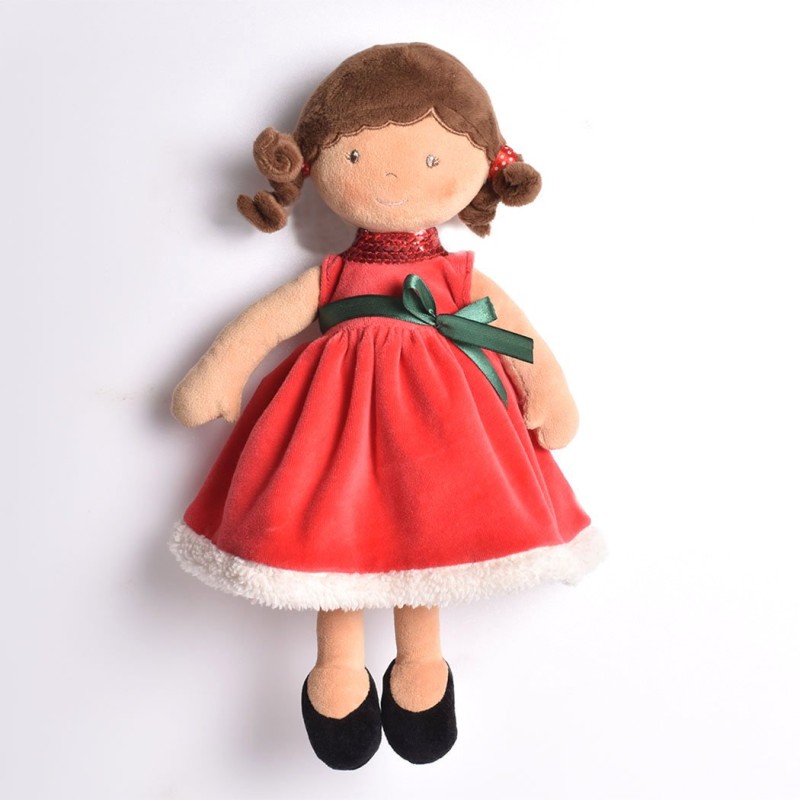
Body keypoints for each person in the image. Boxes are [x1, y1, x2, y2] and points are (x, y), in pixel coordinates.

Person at [170, 42, 605, 770]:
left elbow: (517, 335)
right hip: (333, 429)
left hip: (441, 436)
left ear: (480, 166)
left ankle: (421, 667)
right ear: (316, 163)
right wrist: (221, 373)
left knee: (426, 534)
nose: (400, 177)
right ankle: (337, 671)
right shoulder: (334, 274)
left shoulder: (459, 277)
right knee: (329, 531)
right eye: (359, 156)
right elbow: (266, 324)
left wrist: (548, 392)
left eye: (433, 159)